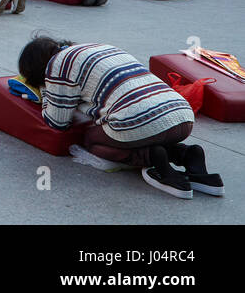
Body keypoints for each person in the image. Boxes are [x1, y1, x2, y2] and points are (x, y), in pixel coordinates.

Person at [18, 36, 222, 199]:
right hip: (183, 117)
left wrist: (43, 91)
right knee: (139, 127)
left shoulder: (57, 66)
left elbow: (58, 122)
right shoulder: (99, 47)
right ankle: (187, 155)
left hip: (143, 123)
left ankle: (153, 158)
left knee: (93, 140)